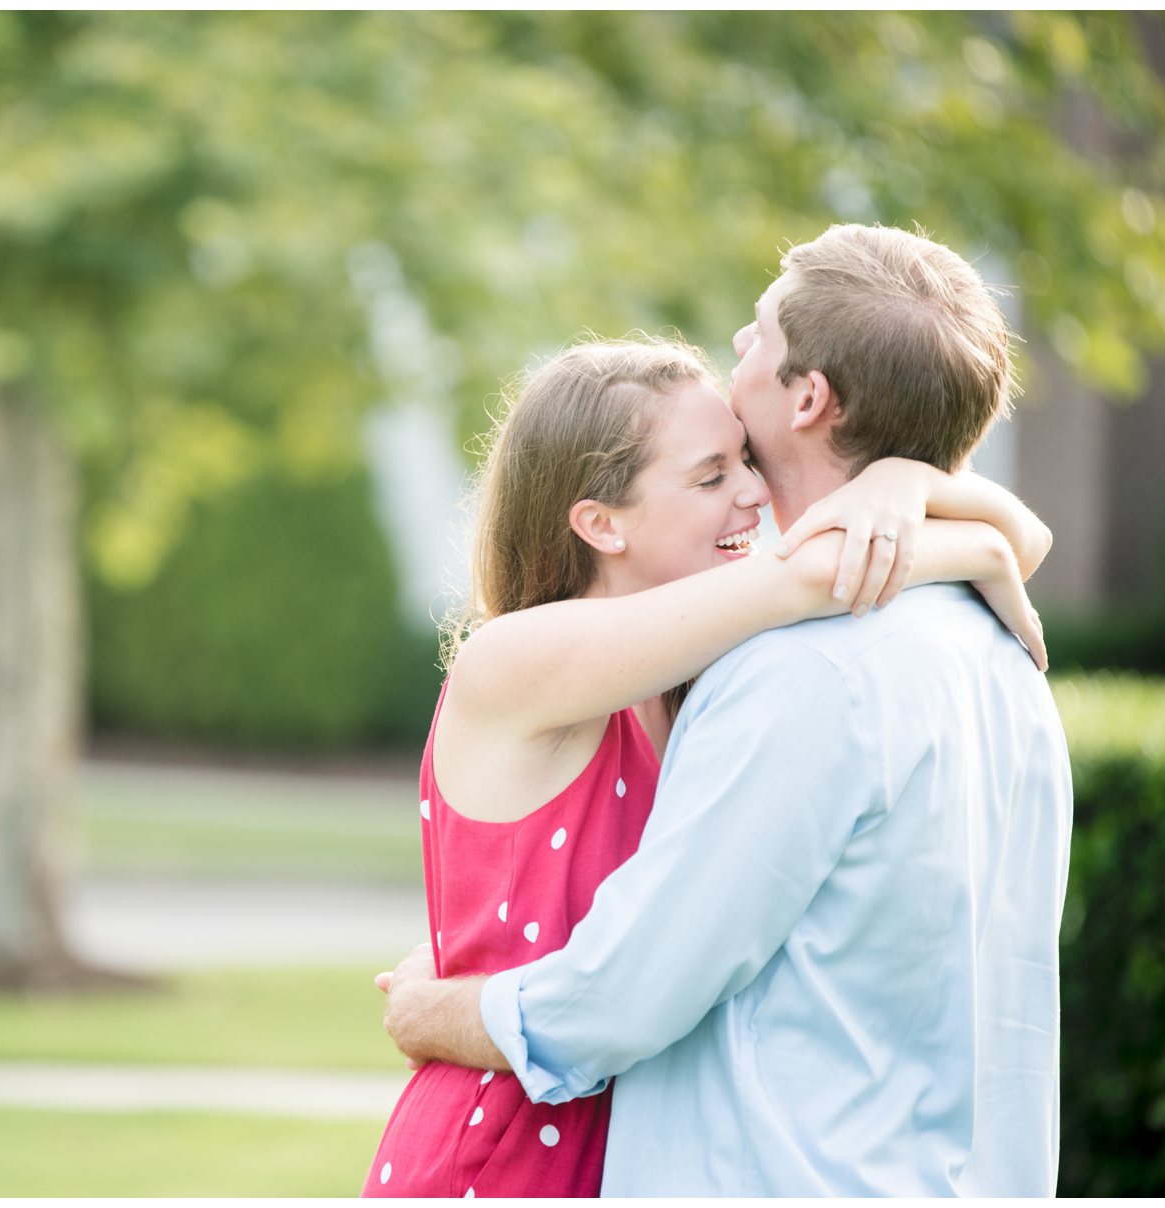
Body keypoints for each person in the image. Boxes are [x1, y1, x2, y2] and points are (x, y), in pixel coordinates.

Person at [376, 223, 1072, 1197]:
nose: (748, 492)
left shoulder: (759, 670)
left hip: (598, 1117)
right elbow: (804, 578)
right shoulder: (528, 660)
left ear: (809, 398)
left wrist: (920, 495)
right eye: (713, 474)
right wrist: (968, 536)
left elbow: (623, 990)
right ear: (599, 519)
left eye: (755, 334)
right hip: (507, 1146)